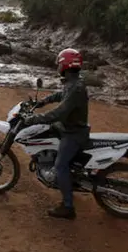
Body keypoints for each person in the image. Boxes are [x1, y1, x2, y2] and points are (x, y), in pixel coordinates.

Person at [23, 48, 89, 220]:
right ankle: (62, 175)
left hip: (74, 132)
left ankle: (68, 207)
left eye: (59, 63)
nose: (57, 66)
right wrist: (45, 100)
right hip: (69, 127)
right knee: (49, 132)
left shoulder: (75, 87)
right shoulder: (73, 83)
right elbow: (62, 95)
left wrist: (35, 119)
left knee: (60, 166)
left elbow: (59, 113)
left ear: (65, 65)